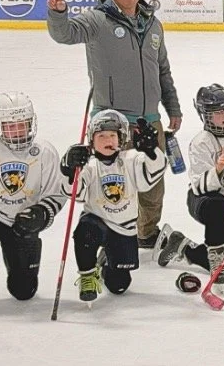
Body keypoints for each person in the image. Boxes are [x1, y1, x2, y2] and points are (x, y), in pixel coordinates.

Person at [47, 0, 182, 249]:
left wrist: (173, 108)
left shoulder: (153, 24)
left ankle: (146, 232)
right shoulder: (98, 19)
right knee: (111, 182)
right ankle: (112, 233)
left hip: (149, 119)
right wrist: (59, 14)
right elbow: (66, 34)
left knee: (153, 183)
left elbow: (163, 70)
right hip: (112, 122)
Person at [0, 93, 65, 313]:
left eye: (21, 125)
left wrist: (41, 214)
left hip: (22, 223)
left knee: (23, 291)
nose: (16, 131)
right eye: (10, 126)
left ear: (31, 122)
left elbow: (56, 194)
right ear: (0, 126)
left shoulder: (45, 152)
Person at [154, 85, 224, 289]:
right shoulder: (200, 143)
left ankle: (181, 245)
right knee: (217, 207)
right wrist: (219, 171)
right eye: (218, 113)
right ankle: (214, 253)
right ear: (205, 116)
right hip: (203, 200)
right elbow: (199, 185)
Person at [61, 110, 166, 303]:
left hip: (124, 228)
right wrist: (69, 170)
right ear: (91, 140)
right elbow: (76, 192)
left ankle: (105, 262)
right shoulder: (89, 165)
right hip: (97, 221)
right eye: (101, 136)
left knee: (119, 286)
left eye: (112, 135)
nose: (107, 139)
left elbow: (152, 174)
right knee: (85, 232)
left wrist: (152, 150)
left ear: (122, 138)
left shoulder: (131, 159)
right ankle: (87, 275)